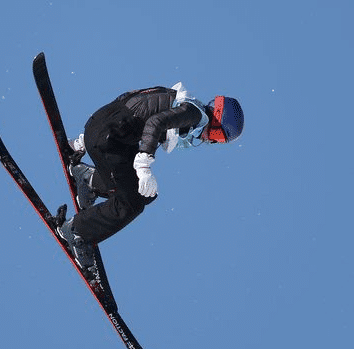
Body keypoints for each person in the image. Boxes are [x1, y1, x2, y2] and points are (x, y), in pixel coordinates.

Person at [57, 82, 244, 271]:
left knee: (144, 193)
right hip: (108, 141)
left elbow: (128, 101)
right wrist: (144, 166)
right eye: (219, 137)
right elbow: (155, 122)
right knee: (131, 204)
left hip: (108, 136)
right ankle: (76, 231)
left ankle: (89, 180)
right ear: (218, 122)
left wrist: (85, 139)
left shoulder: (178, 101)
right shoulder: (194, 115)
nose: (211, 141)